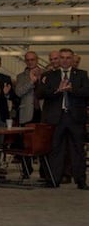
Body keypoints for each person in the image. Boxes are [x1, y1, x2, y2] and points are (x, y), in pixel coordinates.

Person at [38, 48, 89, 190]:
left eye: (68, 57)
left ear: (73, 59)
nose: (65, 60)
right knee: (55, 150)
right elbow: (40, 93)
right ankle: (53, 180)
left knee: (78, 150)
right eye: (62, 57)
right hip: (55, 118)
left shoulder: (81, 74)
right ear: (58, 59)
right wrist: (57, 91)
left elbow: (87, 92)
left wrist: (72, 90)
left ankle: (81, 181)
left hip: (75, 118)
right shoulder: (50, 75)